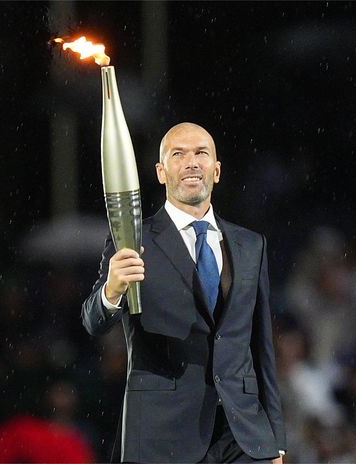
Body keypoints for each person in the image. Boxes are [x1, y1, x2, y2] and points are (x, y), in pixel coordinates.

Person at [81, 122, 286, 463]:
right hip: (164, 436)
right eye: (178, 154)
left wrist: (276, 440)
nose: (191, 162)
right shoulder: (132, 240)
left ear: (216, 171)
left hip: (245, 436)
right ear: (161, 172)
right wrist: (111, 290)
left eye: (201, 153)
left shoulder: (251, 245)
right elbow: (93, 322)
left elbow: (261, 347)